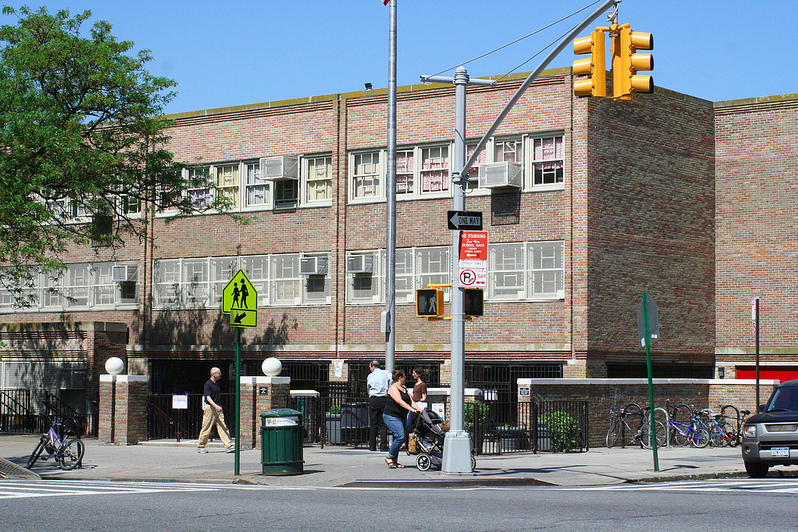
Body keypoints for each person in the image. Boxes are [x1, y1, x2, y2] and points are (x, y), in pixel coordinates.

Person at [383, 369, 422, 468]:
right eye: (404, 376)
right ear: (400, 378)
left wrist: (419, 409)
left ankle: (394, 461)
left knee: (400, 437)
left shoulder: (404, 388)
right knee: (400, 436)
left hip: (401, 416)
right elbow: (399, 401)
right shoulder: (393, 388)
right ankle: (390, 456)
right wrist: (411, 410)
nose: (406, 378)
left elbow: (411, 401)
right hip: (391, 416)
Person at [197, 367, 234, 453]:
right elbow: (208, 397)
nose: (220, 375)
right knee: (206, 426)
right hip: (210, 407)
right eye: (218, 373)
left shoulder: (217, 384)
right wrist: (215, 406)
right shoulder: (208, 384)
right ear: (213, 374)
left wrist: (218, 406)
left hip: (218, 407)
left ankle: (228, 445)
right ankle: (201, 446)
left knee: (222, 426)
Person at [367, 360, 391, 452]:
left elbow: (368, 388)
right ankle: (383, 445)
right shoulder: (385, 373)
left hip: (373, 398)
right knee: (383, 423)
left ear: (372, 366)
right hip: (383, 398)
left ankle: (372, 446)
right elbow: (391, 380)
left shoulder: (370, 376)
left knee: (373, 423)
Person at [405, 367, 428, 433]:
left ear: (419, 374)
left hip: (418, 405)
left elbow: (424, 397)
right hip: (414, 405)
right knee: (411, 422)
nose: (413, 375)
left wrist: (418, 401)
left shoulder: (422, 384)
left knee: (412, 422)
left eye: (414, 373)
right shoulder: (415, 384)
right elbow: (413, 396)